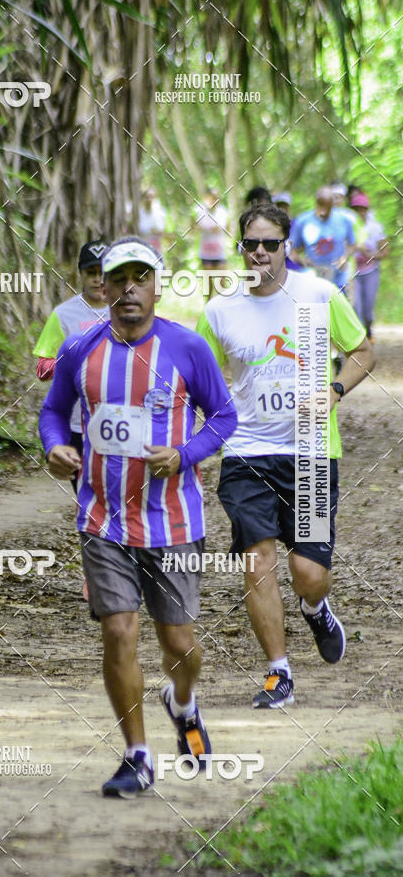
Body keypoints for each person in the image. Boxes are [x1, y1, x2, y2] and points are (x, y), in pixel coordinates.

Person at [39, 236, 237, 797]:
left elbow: (223, 416)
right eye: (118, 277)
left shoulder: (187, 347)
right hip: (102, 517)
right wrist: (55, 448)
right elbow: (53, 413)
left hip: (172, 519)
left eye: (140, 278)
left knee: (178, 644)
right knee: (120, 631)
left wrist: (185, 455)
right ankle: (137, 754)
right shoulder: (80, 349)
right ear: (103, 284)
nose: (129, 288)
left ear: (155, 285)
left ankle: (182, 702)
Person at [196, 204, 374, 709]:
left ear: (286, 248)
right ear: (239, 249)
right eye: (250, 244)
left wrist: (335, 390)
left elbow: (363, 350)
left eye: (270, 244)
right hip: (247, 452)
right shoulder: (219, 310)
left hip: (313, 452)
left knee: (308, 573)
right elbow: (199, 375)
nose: (259, 253)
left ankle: (315, 607)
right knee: (257, 562)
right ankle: (279, 672)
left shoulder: (319, 295)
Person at [33, 240, 109, 493]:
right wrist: (70, 365)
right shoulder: (64, 314)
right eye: (91, 273)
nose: (98, 280)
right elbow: (43, 366)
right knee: (86, 493)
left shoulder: (127, 308)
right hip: (78, 421)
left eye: (104, 272)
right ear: (80, 274)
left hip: (120, 419)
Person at [290, 187, 356, 292]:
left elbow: (353, 245)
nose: (324, 212)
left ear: (332, 205)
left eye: (328, 208)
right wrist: (302, 261)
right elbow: (292, 251)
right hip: (313, 276)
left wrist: (344, 258)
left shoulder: (344, 220)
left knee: (337, 306)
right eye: (322, 207)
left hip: (338, 277)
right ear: (317, 204)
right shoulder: (303, 221)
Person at [350, 192, 388, 341]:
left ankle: (369, 328)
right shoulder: (349, 226)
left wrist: (372, 254)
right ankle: (361, 339)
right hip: (353, 273)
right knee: (356, 306)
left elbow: (385, 251)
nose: (360, 212)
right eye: (356, 209)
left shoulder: (375, 228)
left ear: (367, 210)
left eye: (362, 209)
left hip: (371, 271)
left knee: (368, 309)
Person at [193, 187, 229, 270]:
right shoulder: (199, 210)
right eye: (212, 197)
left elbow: (219, 228)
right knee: (208, 280)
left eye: (216, 197)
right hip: (205, 252)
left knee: (221, 280)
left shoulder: (222, 211)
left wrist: (204, 228)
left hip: (219, 252)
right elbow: (195, 226)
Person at [138, 188, 167, 253]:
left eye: (151, 197)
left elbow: (162, 232)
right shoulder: (139, 213)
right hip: (141, 247)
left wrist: (155, 232)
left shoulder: (159, 213)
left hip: (155, 247)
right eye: (147, 197)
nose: (149, 199)